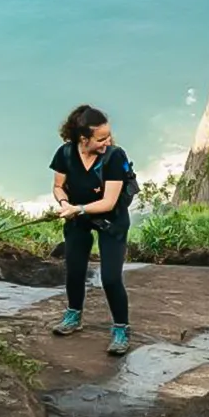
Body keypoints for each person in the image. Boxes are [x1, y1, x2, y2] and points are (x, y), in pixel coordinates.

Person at [49, 104, 133, 355]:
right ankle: (73, 316)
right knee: (74, 269)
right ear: (83, 139)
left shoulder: (114, 156)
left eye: (108, 136)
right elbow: (58, 186)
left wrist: (78, 209)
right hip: (77, 217)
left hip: (111, 221)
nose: (107, 141)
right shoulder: (65, 154)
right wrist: (64, 203)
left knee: (110, 277)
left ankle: (121, 328)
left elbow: (108, 202)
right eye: (101, 138)